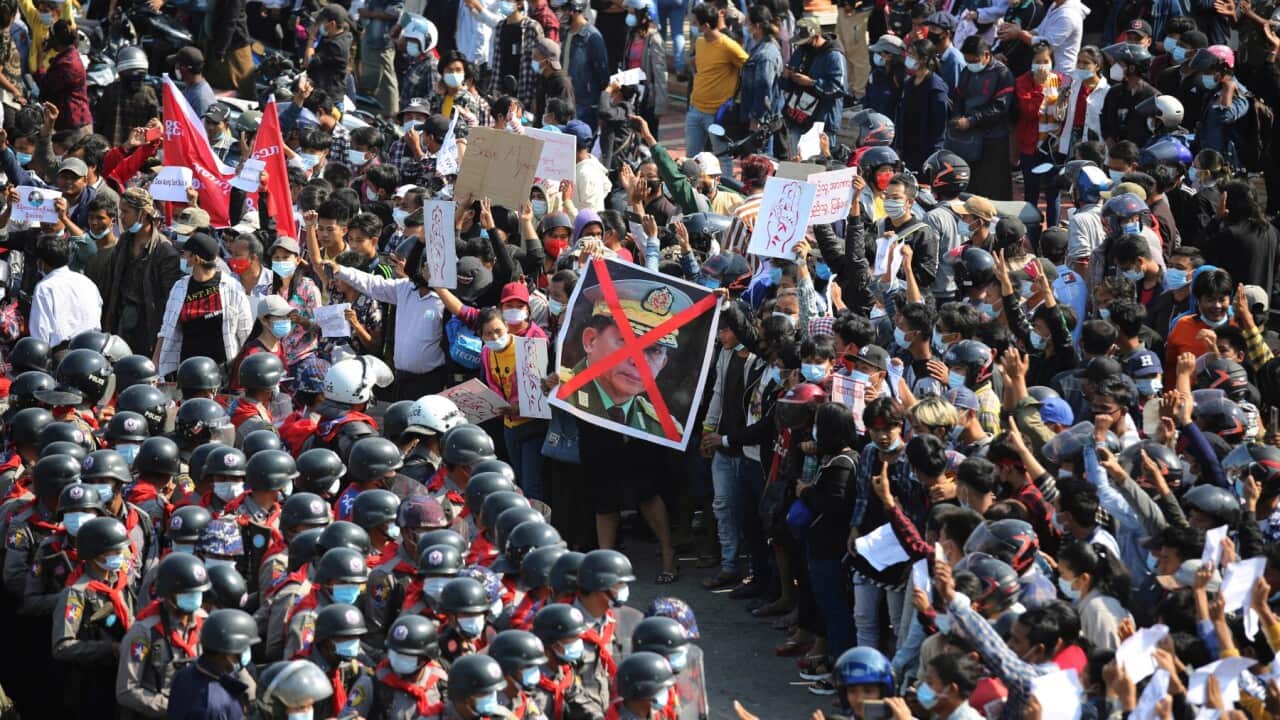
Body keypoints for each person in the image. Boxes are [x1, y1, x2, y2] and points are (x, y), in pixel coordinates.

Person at [154, 233, 254, 378]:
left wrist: (245, 370)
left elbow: (245, 332)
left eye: (185, 254)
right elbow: (166, 329)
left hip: (221, 373)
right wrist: (156, 362)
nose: (182, 259)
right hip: (186, 370)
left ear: (196, 259)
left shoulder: (232, 287)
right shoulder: (179, 287)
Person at [947, 37, 1015, 199]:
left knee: (993, 187)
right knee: (970, 186)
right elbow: (958, 96)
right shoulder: (967, 71)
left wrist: (972, 120)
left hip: (993, 138)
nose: (971, 64)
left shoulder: (1002, 73)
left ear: (986, 55)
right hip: (969, 137)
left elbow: (1000, 107)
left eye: (974, 60)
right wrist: (957, 116)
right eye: (967, 61)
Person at [167, 609, 259, 719]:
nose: (245, 653)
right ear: (226, 653)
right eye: (242, 649)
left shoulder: (186, 674)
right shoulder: (213, 706)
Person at [685, 2, 747, 157]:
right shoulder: (699, 42)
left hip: (717, 114)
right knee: (692, 158)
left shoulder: (728, 45)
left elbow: (747, 65)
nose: (692, 24)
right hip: (695, 109)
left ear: (705, 26)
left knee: (723, 157)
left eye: (695, 22)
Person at [27, 232, 103, 349]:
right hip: (95, 348)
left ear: (41, 262)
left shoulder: (45, 287)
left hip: (63, 354)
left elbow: (40, 331)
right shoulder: (87, 281)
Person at [895, 38, 951, 173]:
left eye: (912, 55)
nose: (908, 58)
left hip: (926, 151)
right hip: (908, 148)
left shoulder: (935, 87)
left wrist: (934, 155)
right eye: (908, 54)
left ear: (924, 59)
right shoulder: (909, 83)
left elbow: (939, 125)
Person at [38, 21, 91, 139]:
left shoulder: (66, 63)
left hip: (73, 124)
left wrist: (40, 63)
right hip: (76, 121)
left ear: (57, 41)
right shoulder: (70, 55)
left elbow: (47, 86)